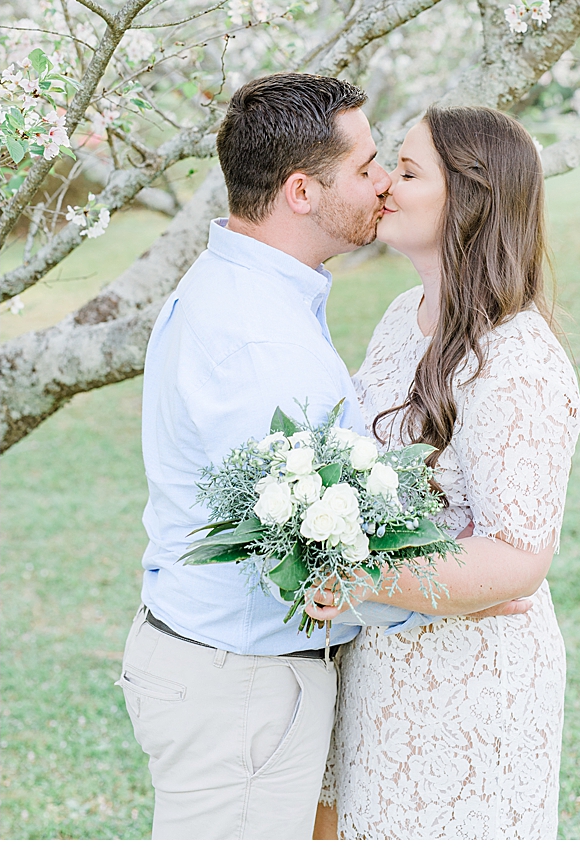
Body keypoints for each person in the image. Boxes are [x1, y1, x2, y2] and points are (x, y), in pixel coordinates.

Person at [119, 73, 527, 840]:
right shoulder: (259, 341)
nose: (383, 184)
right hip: (241, 684)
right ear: (302, 192)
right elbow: (302, 543)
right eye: (367, 166)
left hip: (225, 670)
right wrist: (458, 590)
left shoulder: (254, 290)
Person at [313, 107, 580, 839]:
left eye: (406, 171)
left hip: (469, 683)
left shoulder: (515, 361)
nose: (382, 183)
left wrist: (360, 578)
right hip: (379, 664)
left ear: (470, 196)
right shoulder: (403, 316)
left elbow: (518, 557)